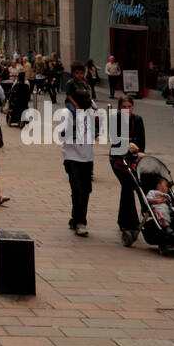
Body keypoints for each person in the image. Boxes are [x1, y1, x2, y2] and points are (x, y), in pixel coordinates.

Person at [63, 61, 95, 236]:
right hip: (72, 157)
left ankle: (76, 219)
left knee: (86, 190)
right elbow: (62, 134)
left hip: (87, 157)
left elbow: (99, 128)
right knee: (77, 189)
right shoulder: (68, 113)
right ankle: (80, 221)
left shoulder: (91, 110)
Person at [108, 95, 145, 236]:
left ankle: (127, 221)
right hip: (118, 160)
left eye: (129, 107)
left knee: (137, 187)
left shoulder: (138, 120)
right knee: (128, 186)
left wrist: (139, 153)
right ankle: (129, 222)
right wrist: (126, 145)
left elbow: (142, 142)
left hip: (134, 159)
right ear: (119, 108)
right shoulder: (114, 120)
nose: (127, 109)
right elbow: (114, 142)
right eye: (124, 107)